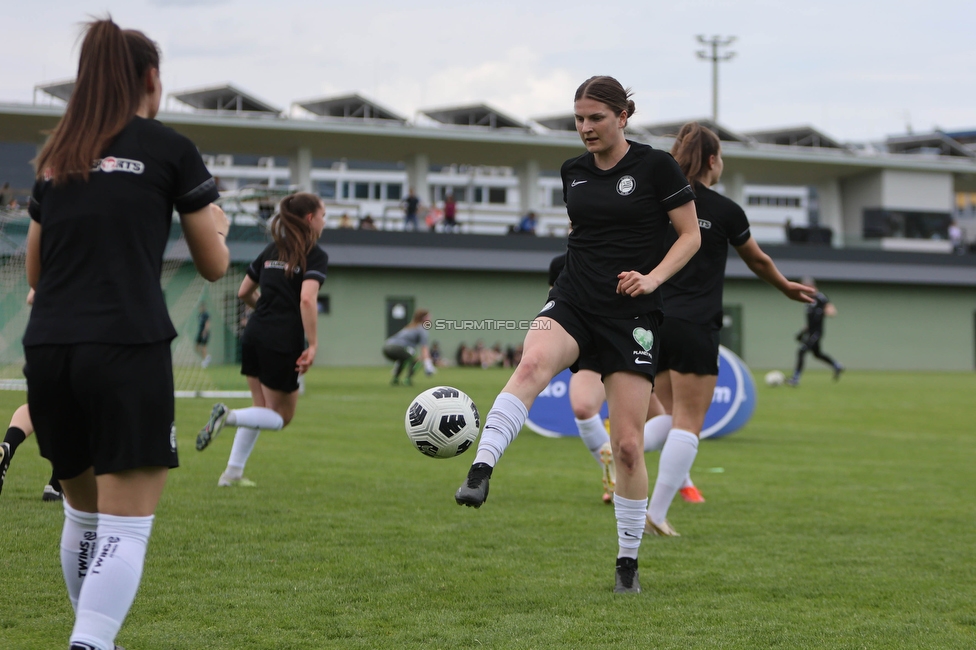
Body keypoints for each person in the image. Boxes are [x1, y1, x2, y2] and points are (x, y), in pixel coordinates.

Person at [24, 19, 229, 650]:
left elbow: (35, 268)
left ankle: (89, 634)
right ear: (150, 79)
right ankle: (90, 642)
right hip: (126, 347)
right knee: (124, 528)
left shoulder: (59, 154)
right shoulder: (168, 148)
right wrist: (215, 222)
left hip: (48, 350)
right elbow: (213, 265)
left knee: (82, 515)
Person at [454, 76, 701, 594]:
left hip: (632, 313)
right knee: (529, 365)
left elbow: (690, 235)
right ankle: (480, 469)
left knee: (629, 446)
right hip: (573, 298)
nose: (585, 128)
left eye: (595, 118)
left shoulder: (656, 166)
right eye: (579, 119)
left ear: (622, 117)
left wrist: (652, 278)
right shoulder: (573, 172)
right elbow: (584, 234)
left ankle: (627, 564)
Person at [636, 122, 816, 537]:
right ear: (713, 161)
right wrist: (785, 286)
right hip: (696, 325)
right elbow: (757, 260)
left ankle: (617, 449)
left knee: (665, 414)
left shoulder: (656, 201)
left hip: (654, 322)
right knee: (689, 422)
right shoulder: (724, 210)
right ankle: (657, 512)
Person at [197, 192, 328, 488]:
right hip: (281, 341)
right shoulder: (314, 253)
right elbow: (307, 300)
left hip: (253, 333)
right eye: (323, 216)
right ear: (310, 219)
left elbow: (244, 292)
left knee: (259, 409)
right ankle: (226, 417)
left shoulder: (272, 249)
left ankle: (231, 474)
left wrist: (267, 311)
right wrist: (314, 344)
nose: (324, 222)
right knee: (281, 417)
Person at [788, 277, 843, 386]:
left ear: (812, 287)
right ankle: (836, 365)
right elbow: (810, 321)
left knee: (802, 351)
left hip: (817, 332)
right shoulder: (807, 301)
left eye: (806, 286)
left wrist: (825, 312)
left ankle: (795, 378)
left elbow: (832, 311)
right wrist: (802, 332)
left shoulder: (821, 298)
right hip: (810, 332)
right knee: (817, 354)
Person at [383, 308, 435, 385]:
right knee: (418, 360)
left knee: (404, 359)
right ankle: (407, 380)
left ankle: (395, 379)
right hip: (398, 348)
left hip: (386, 347)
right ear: (424, 318)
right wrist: (428, 365)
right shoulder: (421, 328)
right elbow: (424, 348)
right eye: (428, 317)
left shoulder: (409, 326)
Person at [195, 302, 212, 367]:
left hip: (204, 332)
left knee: (203, 347)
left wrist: (205, 331)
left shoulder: (206, 314)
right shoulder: (200, 315)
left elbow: (207, 323)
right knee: (196, 347)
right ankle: (207, 357)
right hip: (200, 332)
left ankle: (205, 360)